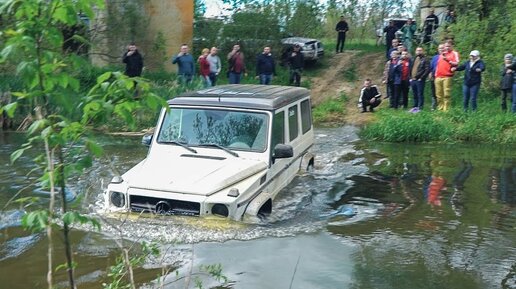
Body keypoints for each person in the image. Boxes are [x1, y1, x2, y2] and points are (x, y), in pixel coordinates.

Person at [434, 41, 459, 111]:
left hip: (447, 76)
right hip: (438, 76)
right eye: (446, 46)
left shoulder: (454, 53)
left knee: (446, 93)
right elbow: (438, 65)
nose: (447, 47)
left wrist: (448, 60)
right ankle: (440, 108)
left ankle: (446, 109)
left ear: (452, 46)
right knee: (438, 94)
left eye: (448, 46)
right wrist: (435, 74)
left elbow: (456, 63)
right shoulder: (442, 54)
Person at [409, 47, 430, 112]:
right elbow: (411, 68)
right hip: (413, 79)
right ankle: (415, 106)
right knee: (414, 93)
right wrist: (410, 78)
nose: (418, 52)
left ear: (423, 51)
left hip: (419, 79)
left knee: (420, 93)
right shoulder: (414, 58)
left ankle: (420, 107)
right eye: (417, 50)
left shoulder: (425, 59)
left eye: (420, 50)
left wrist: (421, 78)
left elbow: (427, 69)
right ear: (415, 51)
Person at [429, 44, 445, 110]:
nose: (441, 49)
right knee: (434, 91)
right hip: (434, 76)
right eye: (440, 48)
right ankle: (434, 104)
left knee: (442, 91)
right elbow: (431, 66)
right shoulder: (435, 57)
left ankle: (442, 105)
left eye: (442, 48)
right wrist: (430, 73)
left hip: (443, 76)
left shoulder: (447, 57)